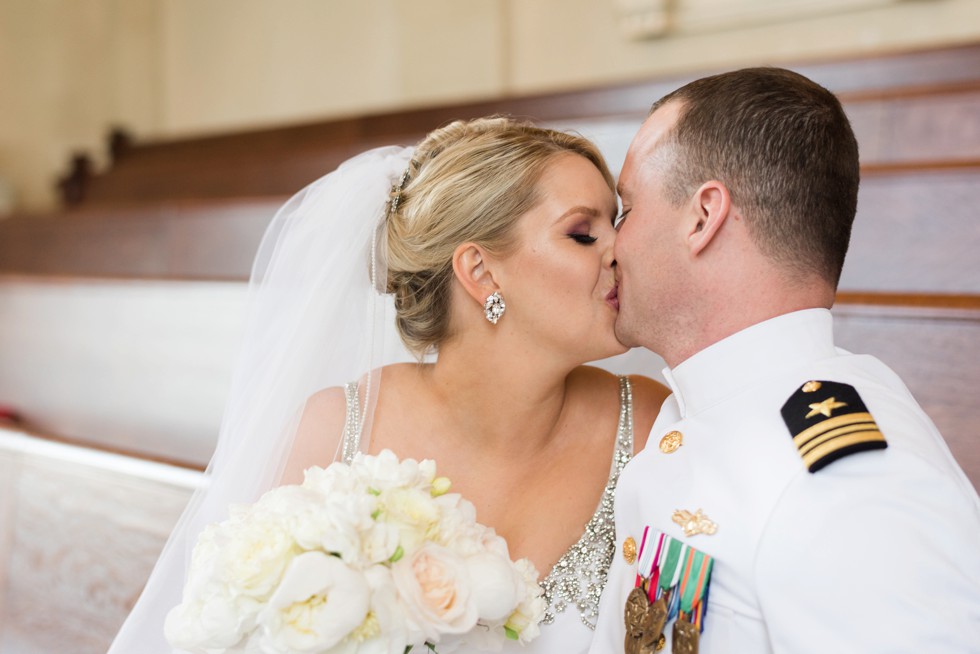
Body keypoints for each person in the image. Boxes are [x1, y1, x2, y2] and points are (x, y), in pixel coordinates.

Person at [108, 117, 670, 653]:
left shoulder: (649, 427)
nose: (618, 249)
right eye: (581, 233)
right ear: (480, 272)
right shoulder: (335, 432)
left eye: (614, 225)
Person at [589, 67, 980, 654]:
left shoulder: (851, 483)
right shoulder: (708, 409)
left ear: (702, 217)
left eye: (627, 208)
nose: (613, 243)